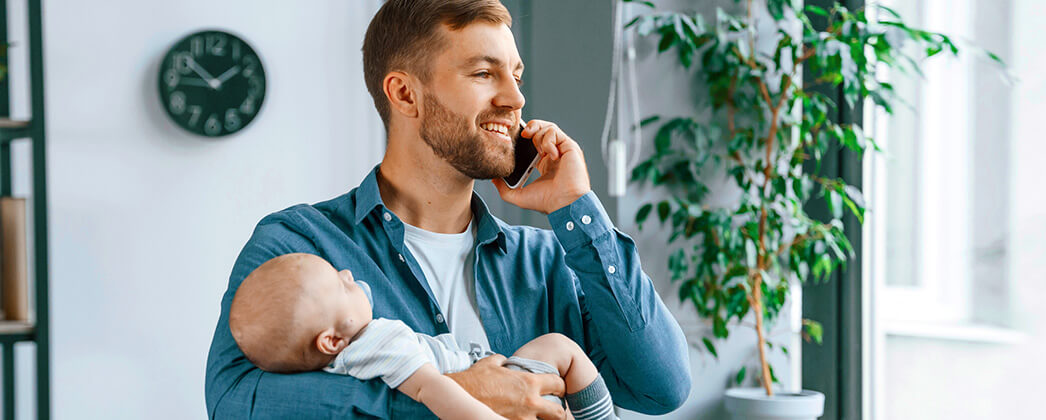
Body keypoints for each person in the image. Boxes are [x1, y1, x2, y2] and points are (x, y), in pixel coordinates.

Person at [205, 0, 692, 418]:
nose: (516, 97)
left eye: (516, 75)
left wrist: (578, 210)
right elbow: (235, 403)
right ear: (404, 94)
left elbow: (662, 385)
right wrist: (454, 400)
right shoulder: (299, 247)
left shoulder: (546, 262)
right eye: (484, 73)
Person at [229, 253, 619, 420]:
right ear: (330, 341)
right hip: (496, 398)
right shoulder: (382, 344)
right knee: (560, 347)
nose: (348, 276)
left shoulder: (340, 363)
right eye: (339, 285)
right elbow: (435, 391)